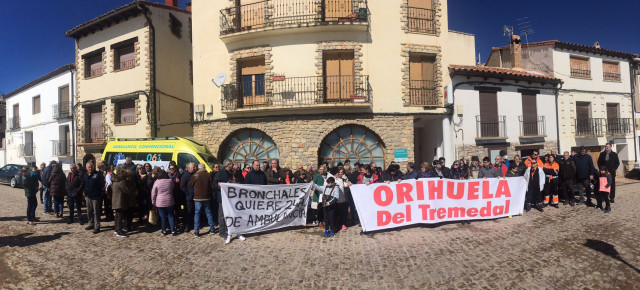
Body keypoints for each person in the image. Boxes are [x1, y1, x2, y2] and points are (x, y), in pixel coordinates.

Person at [214, 160, 245, 244]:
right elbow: (214, 183)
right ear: (228, 165)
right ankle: (222, 231)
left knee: (230, 214)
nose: (233, 165)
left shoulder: (231, 173)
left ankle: (229, 229)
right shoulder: (220, 174)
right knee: (222, 215)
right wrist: (218, 185)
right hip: (221, 198)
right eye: (231, 164)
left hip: (230, 198)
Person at [189, 163, 215, 237]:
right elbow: (211, 186)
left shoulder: (195, 175)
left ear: (199, 168)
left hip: (197, 197)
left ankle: (196, 231)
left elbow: (190, 185)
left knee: (197, 213)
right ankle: (212, 229)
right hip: (206, 196)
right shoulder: (208, 175)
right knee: (208, 212)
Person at [112, 167, 136, 237]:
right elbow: (127, 191)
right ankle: (119, 230)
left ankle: (116, 229)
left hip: (115, 201)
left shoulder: (115, 181)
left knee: (117, 216)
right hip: (120, 201)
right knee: (120, 216)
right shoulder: (122, 182)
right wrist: (133, 192)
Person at [151, 168, 176, 236]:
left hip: (160, 201)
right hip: (169, 200)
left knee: (163, 217)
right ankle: (173, 230)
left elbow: (153, 193)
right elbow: (172, 188)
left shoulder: (157, 181)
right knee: (171, 216)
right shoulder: (170, 181)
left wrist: (153, 202)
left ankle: (164, 230)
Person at [82, 162, 105, 234]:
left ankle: (97, 226)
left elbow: (102, 184)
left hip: (96, 196)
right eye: (89, 167)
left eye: (91, 167)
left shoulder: (98, 174)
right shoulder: (85, 175)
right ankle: (91, 224)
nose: (90, 168)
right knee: (89, 211)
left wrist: (99, 193)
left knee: (96, 212)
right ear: (86, 168)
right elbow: (84, 184)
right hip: (88, 196)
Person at [180, 163, 196, 232]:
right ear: (189, 168)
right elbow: (182, 186)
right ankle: (187, 225)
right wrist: (187, 192)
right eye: (193, 167)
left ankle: (192, 224)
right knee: (188, 211)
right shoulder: (185, 175)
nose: (195, 168)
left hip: (195, 196)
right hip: (188, 197)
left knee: (193, 211)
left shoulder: (194, 174)